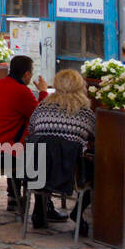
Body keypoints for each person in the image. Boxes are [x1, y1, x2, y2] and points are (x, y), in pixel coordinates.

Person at [25, 69, 97, 231]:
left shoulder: (42, 107)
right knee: (97, 172)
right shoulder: (85, 113)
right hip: (69, 172)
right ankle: (77, 211)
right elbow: (95, 137)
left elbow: (32, 132)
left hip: (37, 172)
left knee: (41, 152)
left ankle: (39, 210)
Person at [0, 55, 46, 212]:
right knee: (39, 153)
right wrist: (43, 92)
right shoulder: (21, 91)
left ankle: (14, 197)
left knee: (17, 142)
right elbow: (40, 116)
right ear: (26, 74)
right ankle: (43, 208)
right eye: (32, 72)